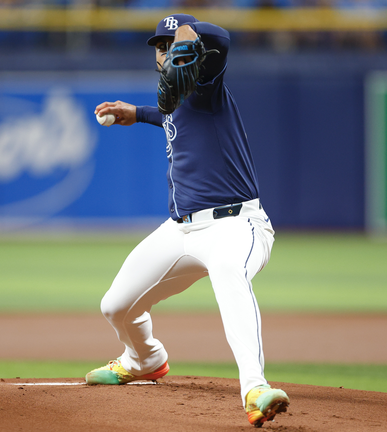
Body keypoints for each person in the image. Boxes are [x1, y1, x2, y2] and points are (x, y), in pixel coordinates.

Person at [86, 13, 290, 427]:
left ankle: (255, 388)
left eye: (170, 46)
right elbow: (170, 114)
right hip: (181, 230)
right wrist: (136, 112)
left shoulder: (207, 85)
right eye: (159, 48)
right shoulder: (173, 98)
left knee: (229, 274)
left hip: (235, 225)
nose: (164, 53)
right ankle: (144, 359)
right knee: (116, 306)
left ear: (192, 51)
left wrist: (189, 35)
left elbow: (223, 40)